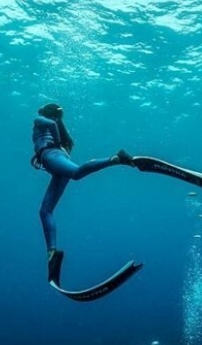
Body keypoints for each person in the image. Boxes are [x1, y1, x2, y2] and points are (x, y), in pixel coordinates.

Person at [31, 103, 135, 280]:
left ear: (45, 112)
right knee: (45, 210)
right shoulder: (57, 129)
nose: (38, 112)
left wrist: (55, 142)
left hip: (50, 156)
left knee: (77, 173)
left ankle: (116, 158)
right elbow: (57, 129)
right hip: (54, 160)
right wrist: (57, 142)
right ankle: (52, 254)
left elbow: (52, 125)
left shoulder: (39, 120)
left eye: (41, 111)